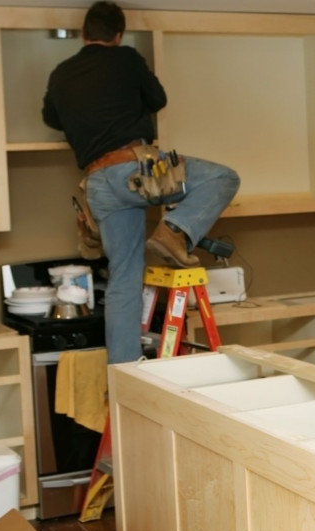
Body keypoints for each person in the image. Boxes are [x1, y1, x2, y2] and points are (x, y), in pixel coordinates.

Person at [42, 1, 240, 364]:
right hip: (137, 171)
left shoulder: (60, 73)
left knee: (123, 282)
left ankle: (124, 373)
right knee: (224, 177)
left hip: (98, 182)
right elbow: (157, 99)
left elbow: (51, 117)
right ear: (117, 35)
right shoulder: (127, 59)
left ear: (86, 34)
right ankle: (175, 230)